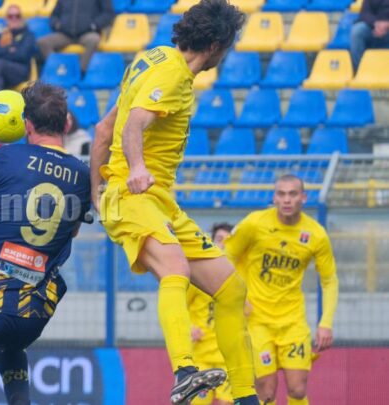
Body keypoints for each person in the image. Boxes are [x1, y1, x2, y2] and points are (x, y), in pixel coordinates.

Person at [89, 1, 259, 403]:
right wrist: (134, 169)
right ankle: (185, 371)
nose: (225, 55)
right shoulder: (173, 74)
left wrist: (95, 194)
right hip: (135, 194)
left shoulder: (152, 58)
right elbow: (133, 124)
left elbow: (103, 128)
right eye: (227, 47)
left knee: (231, 289)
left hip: (157, 201)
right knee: (175, 268)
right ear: (215, 46)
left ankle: (245, 396)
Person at [0, 82, 92, 405]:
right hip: (35, 310)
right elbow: (71, 233)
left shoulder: (7, 156)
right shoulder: (82, 175)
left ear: (27, 124)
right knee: (10, 343)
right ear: (66, 123)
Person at [224, 175, 339, 405]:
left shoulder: (316, 235)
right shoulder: (254, 224)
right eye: (281, 194)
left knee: (297, 389)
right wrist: (237, 297)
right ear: (274, 198)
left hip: (293, 322)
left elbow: (329, 280)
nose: (287, 200)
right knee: (266, 392)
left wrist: (325, 323)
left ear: (303, 198)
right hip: (257, 321)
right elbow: (226, 257)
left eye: (292, 194)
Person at [188, 223, 234, 405]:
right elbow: (177, 305)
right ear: (211, 243)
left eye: (228, 241)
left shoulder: (241, 276)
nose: (223, 245)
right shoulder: (198, 274)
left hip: (229, 357)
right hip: (201, 356)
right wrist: (189, 327)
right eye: (219, 240)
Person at [37, 0, 114, 71]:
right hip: (65, 34)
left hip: (87, 33)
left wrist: (94, 25)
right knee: (43, 42)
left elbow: (108, 14)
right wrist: (57, 24)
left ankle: (80, 71)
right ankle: (57, 69)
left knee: (94, 39)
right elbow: (54, 15)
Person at [350, 0, 389, 66]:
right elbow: (365, 13)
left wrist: (387, 25)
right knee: (357, 31)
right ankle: (359, 68)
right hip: (373, 27)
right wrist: (376, 24)